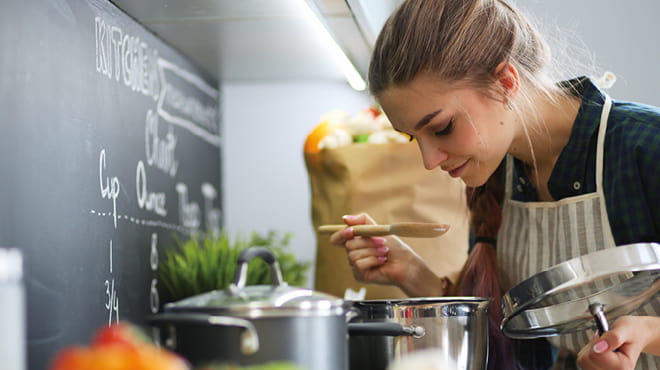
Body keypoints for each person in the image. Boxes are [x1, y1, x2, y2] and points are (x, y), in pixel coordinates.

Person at [328, 0, 660, 369]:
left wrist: (648, 333)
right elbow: (507, 331)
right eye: (412, 137)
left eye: (442, 128)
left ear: (505, 83)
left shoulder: (645, 146)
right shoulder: (497, 175)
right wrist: (415, 275)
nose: (429, 160)